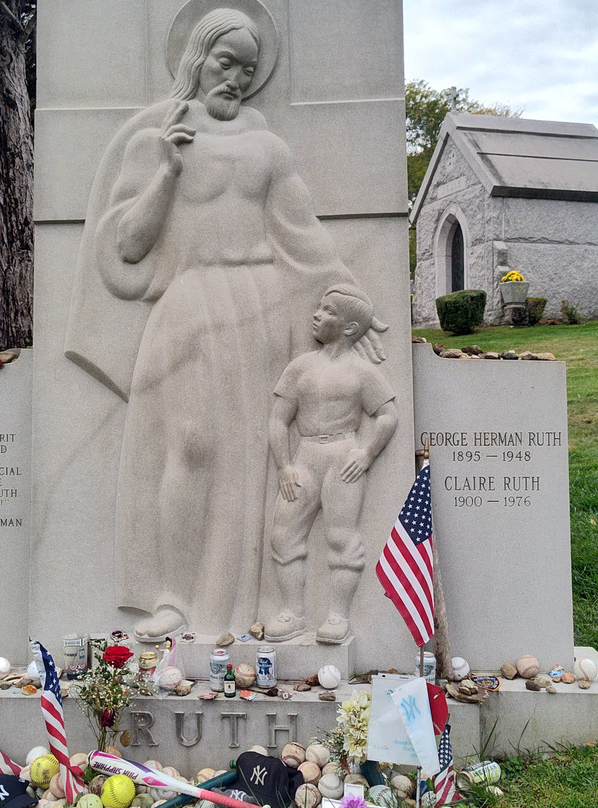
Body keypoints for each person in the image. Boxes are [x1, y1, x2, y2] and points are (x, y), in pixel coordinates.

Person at [65, 7, 366, 640]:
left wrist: (348, 296)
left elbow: (302, 235)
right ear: (196, 60)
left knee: (257, 454)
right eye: (224, 63)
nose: (235, 78)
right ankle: (174, 597)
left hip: (260, 306)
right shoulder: (158, 139)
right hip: (189, 304)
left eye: (247, 69)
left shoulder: (268, 148)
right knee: (192, 444)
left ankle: (253, 607)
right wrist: (167, 175)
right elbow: (126, 244)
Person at [263, 285, 398, 643]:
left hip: (343, 458)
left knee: (341, 537)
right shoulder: (300, 368)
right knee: (283, 534)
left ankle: (338, 616)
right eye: (318, 309)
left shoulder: (361, 371)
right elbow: (278, 420)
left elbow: (387, 415)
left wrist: (366, 453)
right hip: (304, 457)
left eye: (327, 311)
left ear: (350, 327)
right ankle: (293, 612)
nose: (317, 315)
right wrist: (283, 467)